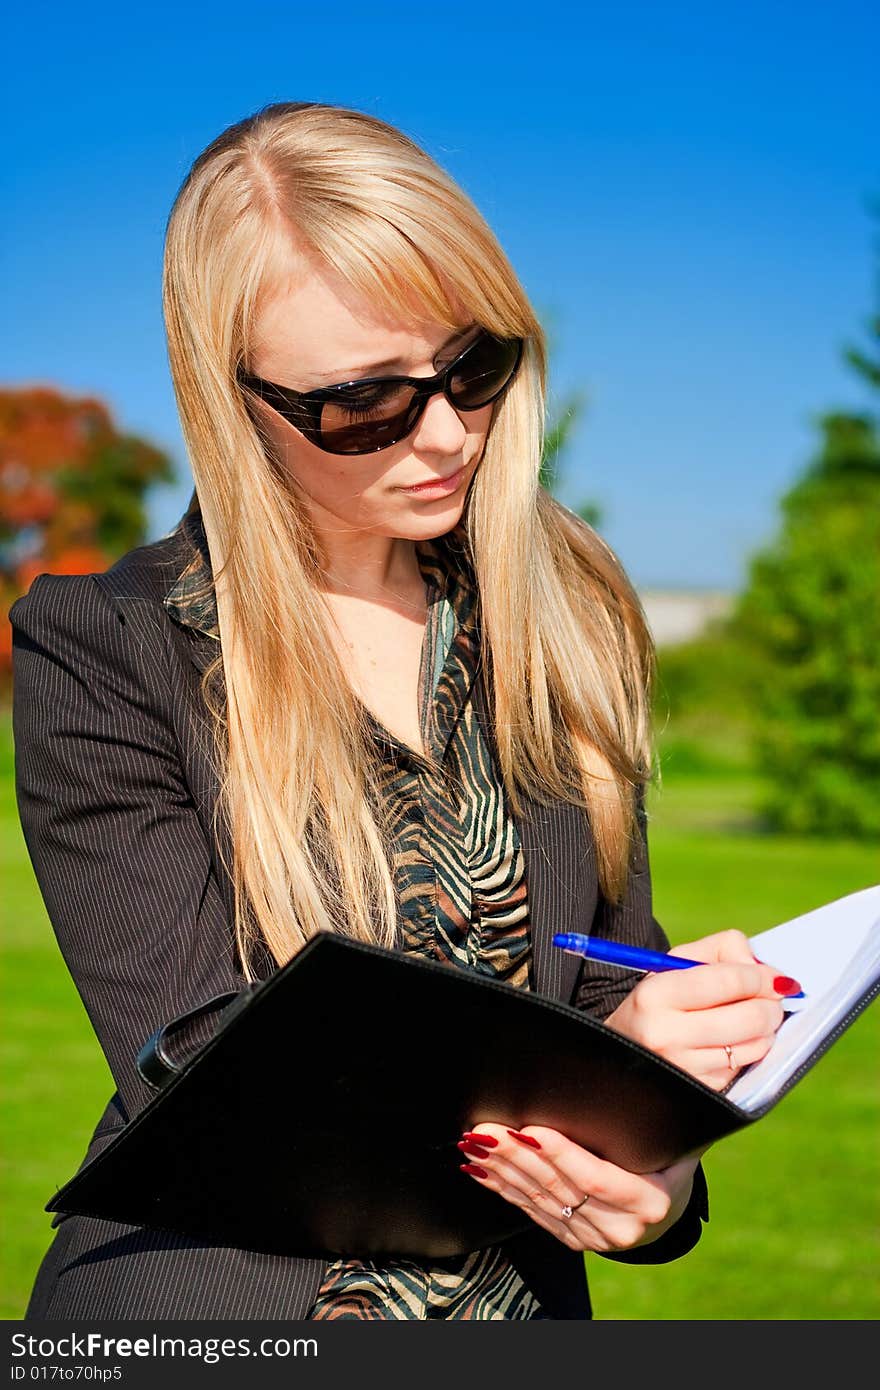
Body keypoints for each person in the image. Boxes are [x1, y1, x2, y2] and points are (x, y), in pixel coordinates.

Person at [10, 101, 796, 1322]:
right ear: (237, 403)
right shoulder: (108, 647)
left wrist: (657, 1162)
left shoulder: (567, 608)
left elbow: (596, 977)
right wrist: (588, 1079)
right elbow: (221, 1093)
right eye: (365, 399)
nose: (445, 436)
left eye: (472, 368)